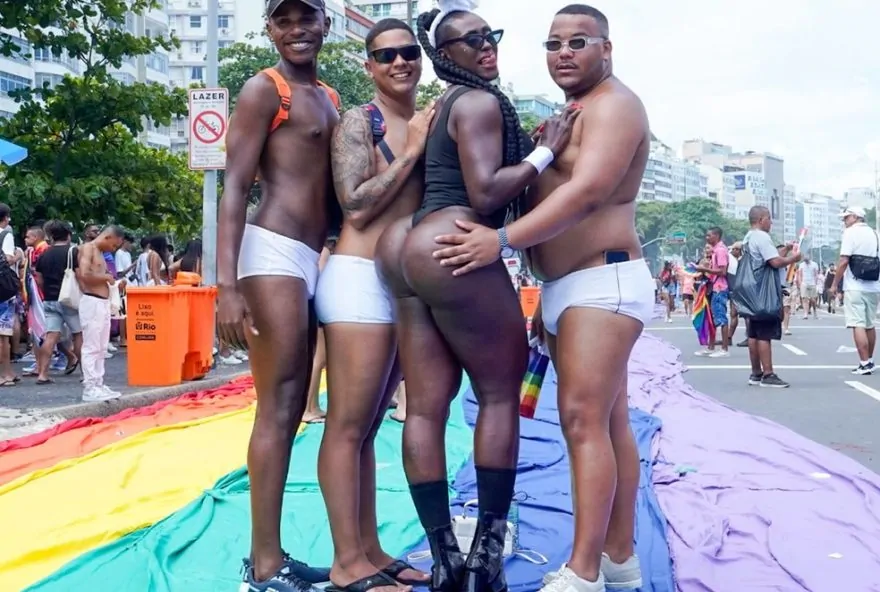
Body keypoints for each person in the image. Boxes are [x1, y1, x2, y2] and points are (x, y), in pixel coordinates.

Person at [432, 5, 652, 591]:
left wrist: (500, 241)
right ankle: (620, 561)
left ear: (607, 48)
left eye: (578, 42)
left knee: (582, 421)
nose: (563, 53)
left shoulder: (615, 106)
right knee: (609, 422)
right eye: (553, 44)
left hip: (603, 280)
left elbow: (588, 193)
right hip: (566, 288)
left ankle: (583, 573)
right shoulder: (568, 115)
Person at [373, 4, 575, 591]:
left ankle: (443, 561)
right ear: (444, 56)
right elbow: (485, 194)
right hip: (453, 244)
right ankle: (484, 558)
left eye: (491, 36)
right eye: (470, 41)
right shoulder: (480, 102)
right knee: (498, 395)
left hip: (406, 245)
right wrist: (545, 152)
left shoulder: (446, 106)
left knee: (425, 408)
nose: (486, 46)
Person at [216, 0, 340, 590]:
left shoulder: (330, 97)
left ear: (325, 24)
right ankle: (264, 565)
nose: (297, 29)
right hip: (272, 253)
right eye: (283, 20)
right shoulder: (265, 90)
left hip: (313, 258)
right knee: (279, 405)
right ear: (268, 29)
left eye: (306, 17)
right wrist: (226, 286)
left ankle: (274, 555)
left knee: (293, 408)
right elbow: (235, 186)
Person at [316, 17, 434, 590]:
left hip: (402, 288)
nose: (399, 62)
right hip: (359, 281)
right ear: (369, 66)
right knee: (346, 426)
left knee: (366, 431)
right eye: (385, 55)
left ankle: (370, 551)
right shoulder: (360, 122)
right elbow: (355, 206)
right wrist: (411, 153)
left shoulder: (430, 118)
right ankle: (346, 564)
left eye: (408, 51)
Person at [739, 206, 799, 388]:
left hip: (751, 291)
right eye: (769, 219)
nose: (771, 222)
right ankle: (768, 374)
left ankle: (756, 372)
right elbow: (774, 262)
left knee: (753, 333)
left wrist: (786, 249)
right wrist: (794, 258)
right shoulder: (762, 237)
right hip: (763, 291)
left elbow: (767, 257)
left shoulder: (748, 237)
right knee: (764, 333)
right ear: (761, 220)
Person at [831, 206, 880, 375]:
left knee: (857, 324)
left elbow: (844, 261)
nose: (844, 221)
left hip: (855, 286)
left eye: (846, 218)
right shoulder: (875, 234)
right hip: (873, 286)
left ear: (855, 217)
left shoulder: (850, 233)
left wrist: (835, 284)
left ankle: (864, 363)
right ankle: (870, 360)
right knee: (869, 324)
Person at [77, 225, 124, 401]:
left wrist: (113, 283)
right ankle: (90, 387)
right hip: (92, 302)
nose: (114, 249)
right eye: (114, 245)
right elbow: (84, 274)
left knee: (102, 347)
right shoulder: (88, 248)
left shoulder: (100, 253)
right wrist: (106, 277)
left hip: (102, 302)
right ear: (108, 237)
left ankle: (98, 383)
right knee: (92, 346)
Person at [32, 221, 83, 384]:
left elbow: (39, 279)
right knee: (78, 334)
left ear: (51, 236)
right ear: (68, 235)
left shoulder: (44, 254)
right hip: (69, 300)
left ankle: (42, 374)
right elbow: (79, 275)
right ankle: (86, 373)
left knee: (50, 337)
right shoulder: (73, 252)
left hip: (49, 299)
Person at [694, 227, 730, 357]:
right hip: (713, 287)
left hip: (720, 288)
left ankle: (724, 349)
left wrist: (704, 270)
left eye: (709, 236)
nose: (707, 238)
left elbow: (722, 271)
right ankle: (711, 346)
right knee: (712, 317)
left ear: (716, 236)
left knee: (721, 318)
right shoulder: (716, 251)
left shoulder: (720, 251)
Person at [797, 253, 820, 320]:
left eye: (806, 257)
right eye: (804, 258)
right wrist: (800, 283)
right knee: (805, 299)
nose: (805, 259)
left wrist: (815, 283)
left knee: (813, 300)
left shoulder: (814, 264)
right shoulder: (801, 265)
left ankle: (815, 311)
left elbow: (816, 274)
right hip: (804, 283)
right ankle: (805, 314)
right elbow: (800, 275)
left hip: (812, 283)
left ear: (809, 257)